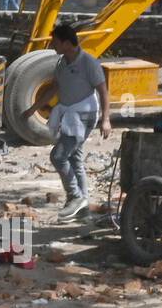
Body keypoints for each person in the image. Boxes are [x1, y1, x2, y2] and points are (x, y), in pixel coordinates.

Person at [21, 23, 112, 221]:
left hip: (84, 116)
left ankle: (75, 196)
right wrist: (33, 109)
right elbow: (54, 88)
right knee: (74, 159)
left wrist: (106, 120)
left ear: (66, 43)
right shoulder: (62, 62)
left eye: (55, 42)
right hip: (70, 115)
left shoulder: (89, 63)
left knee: (58, 156)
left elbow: (104, 92)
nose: (52, 45)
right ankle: (83, 205)